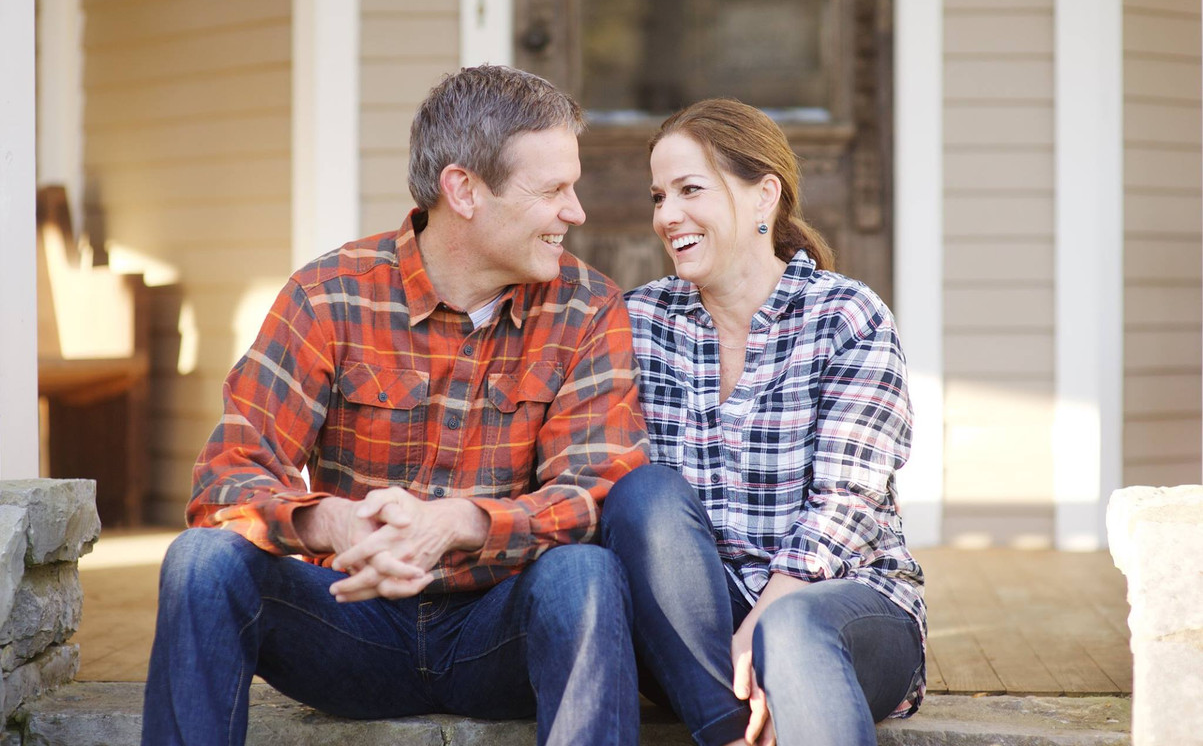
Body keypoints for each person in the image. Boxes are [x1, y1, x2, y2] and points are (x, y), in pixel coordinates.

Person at [141, 65, 652, 746]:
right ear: (463, 190)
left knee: (584, 573)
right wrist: (338, 526)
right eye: (553, 189)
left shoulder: (585, 307)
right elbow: (225, 479)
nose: (575, 212)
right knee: (201, 560)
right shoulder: (329, 295)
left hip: (499, 634)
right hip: (349, 625)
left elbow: (593, 494)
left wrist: (458, 522)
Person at [602, 98, 926, 746]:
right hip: (695, 623)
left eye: (690, 190)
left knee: (791, 632)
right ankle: (728, 725)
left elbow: (849, 502)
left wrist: (763, 622)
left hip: (842, 606)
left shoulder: (844, 315)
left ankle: (727, 700)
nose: (667, 216)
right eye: (658, 196)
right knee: (645, 495)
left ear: (763, 197)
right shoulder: (637, 322)